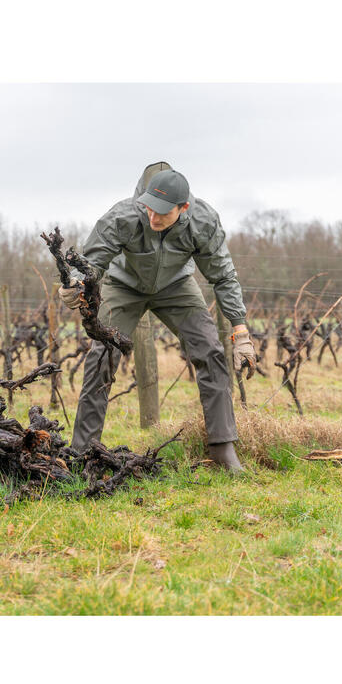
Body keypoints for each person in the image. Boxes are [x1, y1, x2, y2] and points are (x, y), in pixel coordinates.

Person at [59, 162, 255, 471]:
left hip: (176, 285)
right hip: (123, 286)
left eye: (162, 212)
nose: (153, 217)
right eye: (150, 209)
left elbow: (223, 277)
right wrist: (77, 283)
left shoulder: (203, 222)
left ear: (183, 207)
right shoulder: (123, 216)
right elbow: (92, 260)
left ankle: (222, 449)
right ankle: (82, 454)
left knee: (211, 351)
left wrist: (240, 331)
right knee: (102, 358)